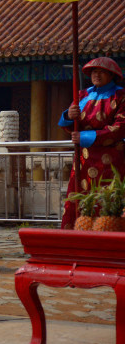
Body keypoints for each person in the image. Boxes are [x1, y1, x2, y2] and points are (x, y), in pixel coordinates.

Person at [59, 57, 125, 229]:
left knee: (108, 198)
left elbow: (120, 127)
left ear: (111, 75)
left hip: (111, 160)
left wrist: (86, 137)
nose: (96, 74)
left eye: (101, 71)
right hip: (84, 159)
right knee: (80, 198)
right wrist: (68, 116)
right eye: (93, 71)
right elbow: (72, 126)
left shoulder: (121, 96)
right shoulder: (82, 95)